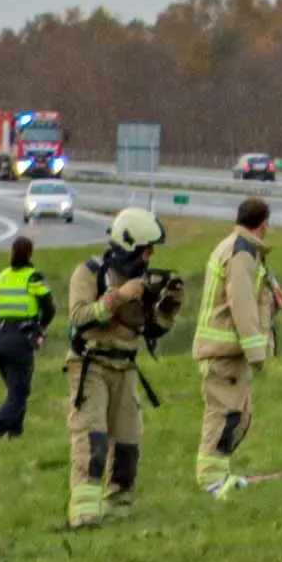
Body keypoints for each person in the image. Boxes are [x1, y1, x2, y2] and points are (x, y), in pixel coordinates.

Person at [64, 208, 184, 528]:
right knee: (93, 438)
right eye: (146, 249)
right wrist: (117, 297)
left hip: (126, 367)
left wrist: (169, 307)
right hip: (93, 364)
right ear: (128, 245)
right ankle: (84, 511)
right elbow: (79, 316)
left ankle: (119, 506)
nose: (150, 257)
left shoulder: (143, 282)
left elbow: (151, 329)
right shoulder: (89, 273)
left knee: (129, 441)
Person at [193, 197, 282, 496]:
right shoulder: (241, 253)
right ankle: (211, 482)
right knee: (224, 416)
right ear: (263, 224)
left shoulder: (239, 248)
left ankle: (220, 475)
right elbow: (242, 304)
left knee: (238, 417)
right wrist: (258, 351)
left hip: (228, 352)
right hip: (222, 352)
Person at [0, 234, 57, 440]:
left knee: (15, 389)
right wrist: (39, 327)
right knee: (19, 392)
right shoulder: (33, 278)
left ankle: (16, 431)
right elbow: (49, 309)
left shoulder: (1, 276)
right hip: (20, 338)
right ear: (30, 253)